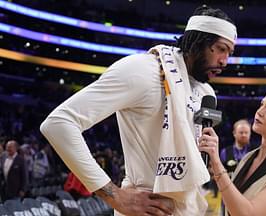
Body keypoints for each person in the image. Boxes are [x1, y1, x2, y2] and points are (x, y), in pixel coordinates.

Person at [40, 5, 236, 216]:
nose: (225, 61)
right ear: (199, 41)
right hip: (145, 206)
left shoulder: (206, 92)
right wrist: (115, 196)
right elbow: (58, 124)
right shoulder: (142, 70)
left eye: (230, 53)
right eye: (221, 49)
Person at [198, 87, 266, 216]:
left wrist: (216, 164)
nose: (259, 112)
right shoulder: (249, 157)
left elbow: (249, 213)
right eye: (262, 104)